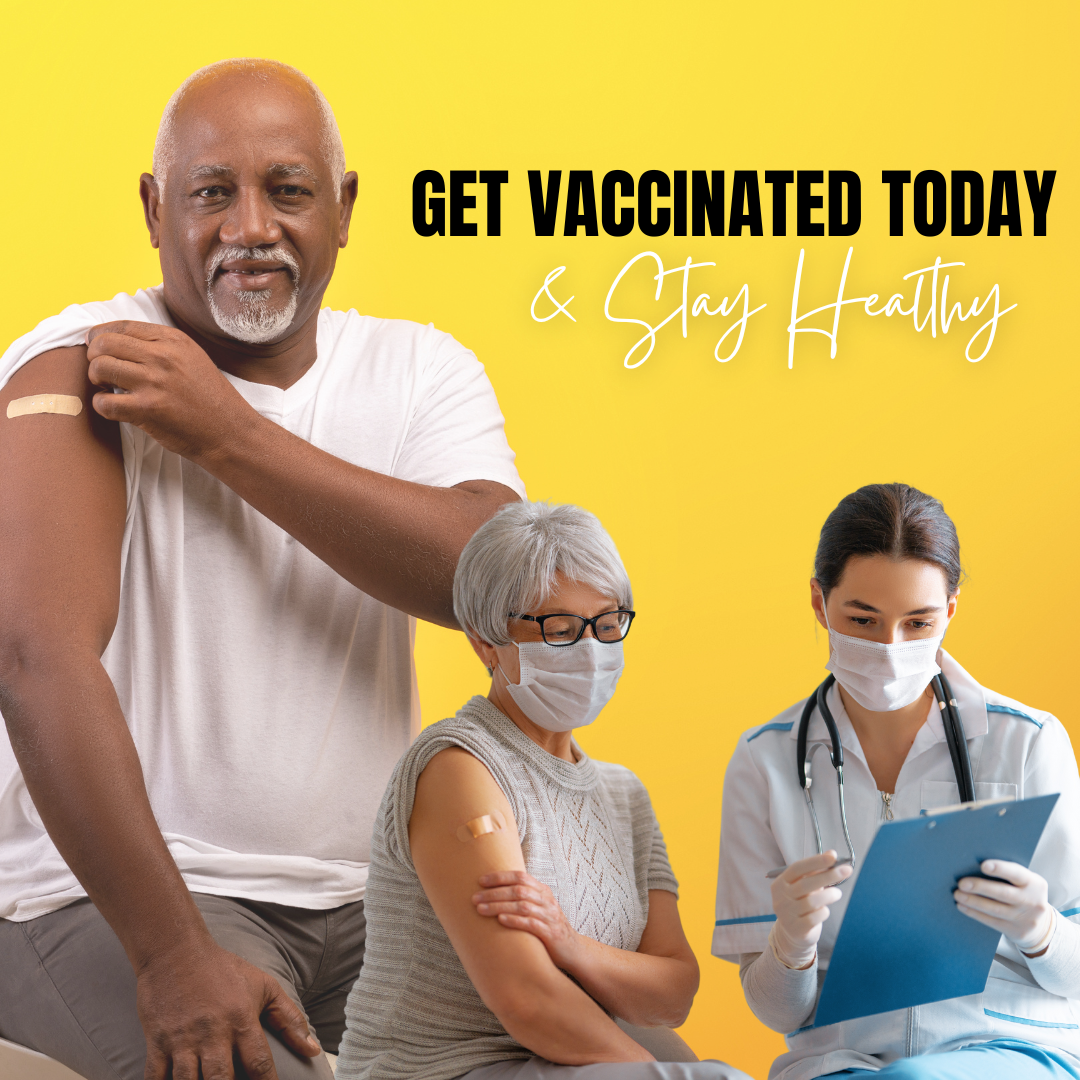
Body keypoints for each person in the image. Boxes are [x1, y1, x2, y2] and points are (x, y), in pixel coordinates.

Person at [0, 58, 524, 1080]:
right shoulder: (78, 363)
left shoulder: (422, 370)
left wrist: (226, 432)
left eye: (287, 189)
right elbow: (35, 657)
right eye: (210, 193)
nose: (249, 226)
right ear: (155, 210)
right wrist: (170, 955)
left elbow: (497, 585)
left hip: (379, 907)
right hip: (127, 902)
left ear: (343, 207)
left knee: (639, 1063)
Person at [333, 501, 751, 1080]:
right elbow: (528, 1000)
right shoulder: (461, 768)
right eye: (559, 628)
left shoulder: (623, 796)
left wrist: (568, 943)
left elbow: (673, 993)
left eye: (607, 625)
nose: (590, 650)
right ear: (485, 643)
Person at [712, 483, 1080, 1080]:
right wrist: (791, 942)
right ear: (818, 601)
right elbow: (775, 1009)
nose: (890, 646)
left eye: (918, 622)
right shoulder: (764, 761)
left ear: (951, 612)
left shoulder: (1028, 742)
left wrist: (1040, 928)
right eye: (862, 619)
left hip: (1009, 1046)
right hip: (839, 1061)